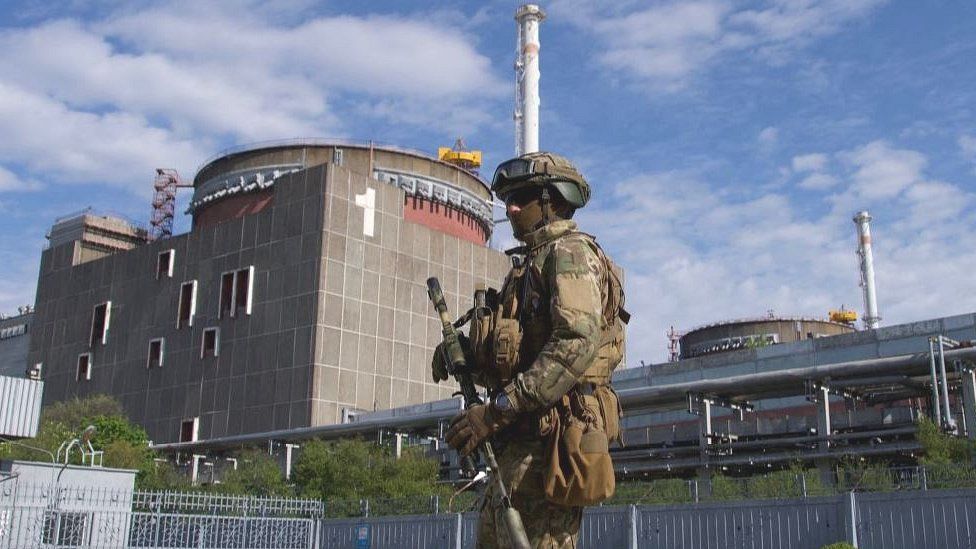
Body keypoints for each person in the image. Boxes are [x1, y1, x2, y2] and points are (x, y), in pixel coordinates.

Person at [432, 151, 627, 548]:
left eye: (522, 197)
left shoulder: (569, 254)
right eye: (507, 199)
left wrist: (497, 409)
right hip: (516, 449)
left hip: (549, 448)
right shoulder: (528, 267)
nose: (511, 207)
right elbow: (519, 356)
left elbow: (575, 343)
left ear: (552, 201)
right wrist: (467, 354)